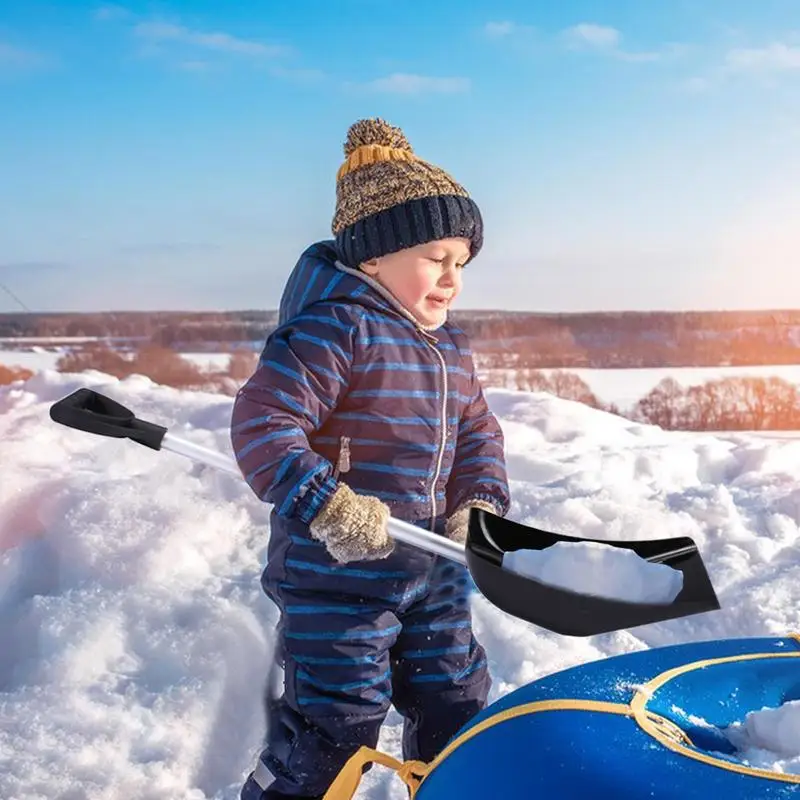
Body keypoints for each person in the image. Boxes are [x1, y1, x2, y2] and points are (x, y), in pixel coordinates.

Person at [231, 117, 510, 799]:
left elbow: (478, 434)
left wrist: (479, 503)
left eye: (461, 264)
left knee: (456, 705)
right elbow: (264, 422)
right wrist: (327, 504)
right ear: (373, 258)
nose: (452, 279)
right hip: (339, 577)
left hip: (433, 570)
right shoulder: (335, 328)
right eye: (436, 258)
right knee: (337, 722)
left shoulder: (450, 350)